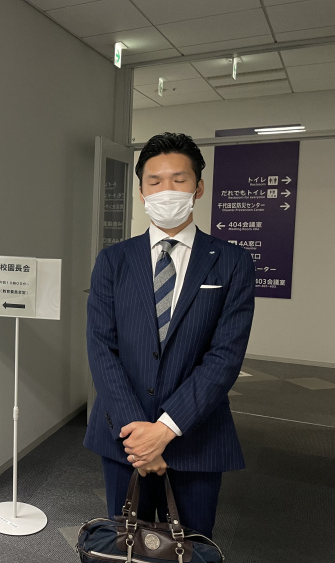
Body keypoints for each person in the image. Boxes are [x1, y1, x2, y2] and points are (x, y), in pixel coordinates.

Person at [84, 132, 255, 538]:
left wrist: (164, 430)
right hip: (124, 438)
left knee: (190, 550)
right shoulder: (113, 260)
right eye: (155, 181)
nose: (166, 190)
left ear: (198, 188)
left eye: (179, 180)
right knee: (125, 545)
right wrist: (137, 434)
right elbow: (101, 348)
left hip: (196, 437)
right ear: (141, 191)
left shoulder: (232, 262)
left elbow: (225, 356)